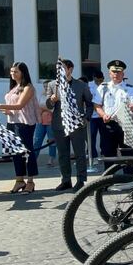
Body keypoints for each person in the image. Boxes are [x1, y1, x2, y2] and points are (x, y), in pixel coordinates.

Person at [0, 62, 40, 194]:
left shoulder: (28, 87)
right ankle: (19, 180)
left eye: (15, 71)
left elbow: (19, 105)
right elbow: (14, 108)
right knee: (16, 152)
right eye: (11, 71)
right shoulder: (13, 87)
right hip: (12, 122)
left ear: (23, 72)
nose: (12, 74)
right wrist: (8, 111)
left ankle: (30, 181)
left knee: (27, 151)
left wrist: (0, 106)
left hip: (25, 123)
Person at [48, 59, 94, 191]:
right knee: (63, 154)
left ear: (70, 69)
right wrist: (51, 100)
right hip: (59, 124)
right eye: (58, 69)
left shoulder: (81, 85)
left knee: (79, 153)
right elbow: (47, 105)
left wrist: (86, 117)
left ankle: (81, 180)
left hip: (76, 124)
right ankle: (66, 180)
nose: (60, 72)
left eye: (62, 69)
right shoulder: (53, 85)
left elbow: (89, 104)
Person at [92, 60, 133, 174]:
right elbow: (97, 105)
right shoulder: (103, 88)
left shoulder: (130, 88)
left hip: (126, 124)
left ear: (123, 74)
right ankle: (108, 180)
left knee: (128, 152)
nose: (116, 74)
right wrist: (103, 115)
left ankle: (129, 179)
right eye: (113, 72)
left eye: (118, 72)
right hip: (109, 124)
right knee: (108, 153)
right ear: (109, 73)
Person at [33, 80, 57, 167]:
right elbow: (37, 108)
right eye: (45, 86)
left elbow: (54, 109)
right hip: (41, 121)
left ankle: (51, 158)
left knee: (51, 140)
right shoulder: (41, 96)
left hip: (51, 121)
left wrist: (44, 108)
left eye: (48, 86)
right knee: (37, 140)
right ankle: (33, 158)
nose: (46, 88)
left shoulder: (55, 96)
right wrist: (45, 108)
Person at [87, 72, 105, 163]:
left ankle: (104, 152)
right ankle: (93, 156)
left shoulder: (105, 85)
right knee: (91, 136)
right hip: (92, 117)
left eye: (101, 80)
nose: (100, 82)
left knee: (104, 136)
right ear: (94, 78)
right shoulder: (89, 85)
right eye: (98, 80)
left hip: (103, 115)